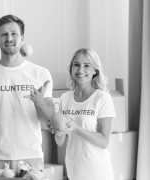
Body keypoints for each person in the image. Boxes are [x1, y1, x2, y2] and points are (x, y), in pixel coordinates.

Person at [0, 14, 54, 171]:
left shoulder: (40, 73)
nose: (9, 38)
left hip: (30, 155)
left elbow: (48, 119)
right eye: (4, 34)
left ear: (22, 38)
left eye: (14, 34)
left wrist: (39, 102)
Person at [33, 47, 115, 180]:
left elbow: (104, 142)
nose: (80, 70)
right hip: (75, 171)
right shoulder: (65, 98)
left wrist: (76, 128)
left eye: (87, 66)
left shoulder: (102, 98)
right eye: (76, 65)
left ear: (95, 70)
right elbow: (60, 142)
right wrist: (59, 132)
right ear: (71, 69)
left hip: (98, 172)